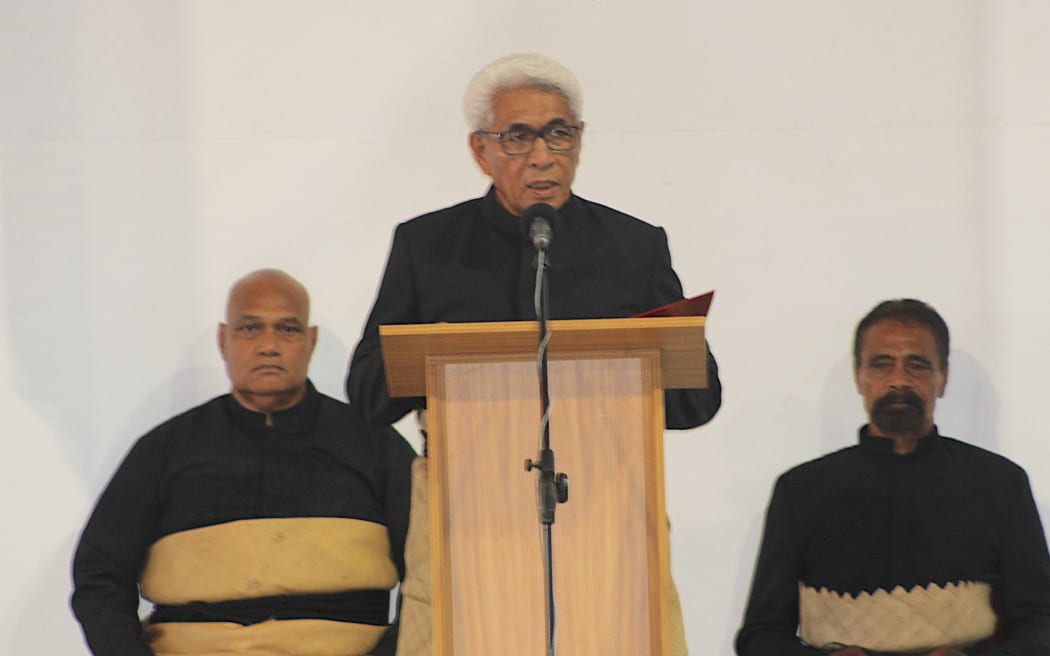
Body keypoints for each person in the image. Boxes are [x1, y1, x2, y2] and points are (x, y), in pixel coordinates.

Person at [346, 53, 721, 655]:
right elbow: (365, 395)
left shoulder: (634, 246)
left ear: (579, 141)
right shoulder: (428, 246)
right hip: (465, 514)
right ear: (480, 151)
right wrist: (443, 354)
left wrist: (647, 352)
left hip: (609, 515)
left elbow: (695, 402)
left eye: (558, 133)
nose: (542, 155)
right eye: (517, 137)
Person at [71, 269, 415, 656]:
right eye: (250, 328)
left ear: (311, 341)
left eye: (288, 330)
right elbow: (100, 577)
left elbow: (433, 574)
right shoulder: (164, 451)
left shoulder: (373, 445)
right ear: (224, 340)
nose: (269, 346)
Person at [736, 299, 1050, 655]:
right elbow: (760, 637)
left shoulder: (1001, 484)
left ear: (943, 378)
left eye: (916, 365)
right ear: (860, 376)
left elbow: (1040, 623)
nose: (899, 381)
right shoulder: (801, 491)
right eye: (882, 364)